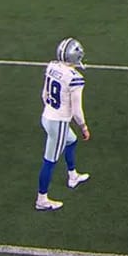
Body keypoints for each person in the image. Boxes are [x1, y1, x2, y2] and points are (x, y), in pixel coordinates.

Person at [35, 38, 93, 211]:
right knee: (49, 161)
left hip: (47, 116)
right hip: (58, 122)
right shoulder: (75, 78)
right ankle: (42, 199)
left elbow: (44, 94)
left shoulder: (52, 66)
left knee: (72, 141)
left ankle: (72, 175)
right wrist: (84, 127)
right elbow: (76, 111)